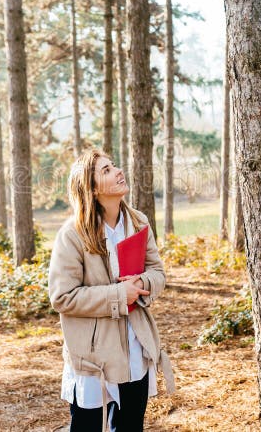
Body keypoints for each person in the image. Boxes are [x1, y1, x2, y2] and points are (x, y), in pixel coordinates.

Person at [48, 149, 175, 432]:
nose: (118, 171)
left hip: (135, 349)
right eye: (106, 170)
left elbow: (157, 273)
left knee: (131, 426)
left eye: (114, 165)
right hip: (93, 355)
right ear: (92, 189)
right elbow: (62, 296)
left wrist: (141, 284)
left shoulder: (139, 222)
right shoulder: (72, 234)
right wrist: (118, 295)